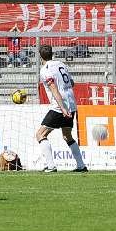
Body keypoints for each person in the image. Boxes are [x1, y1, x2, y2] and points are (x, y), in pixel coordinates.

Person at [36, 45, 86, 173]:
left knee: (40, 134)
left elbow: (53, 88)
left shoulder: (44, 70)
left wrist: (62, 108)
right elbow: (72, 83)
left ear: (40, 56)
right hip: (71, 103)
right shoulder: (61, 64)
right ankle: (81, 166)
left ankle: (51, 166)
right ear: (52, 54)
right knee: (67, 135)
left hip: (59, 106)